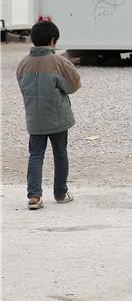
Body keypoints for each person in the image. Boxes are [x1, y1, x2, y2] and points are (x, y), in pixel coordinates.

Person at [17, 20, 81, 210]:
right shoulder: (58, 62)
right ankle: (60, 193)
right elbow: (73, 86)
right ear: (53, 41)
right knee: (60, 154)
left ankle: (34, 196)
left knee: (35, 155)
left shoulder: (23, 63)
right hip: (57, 119)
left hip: (34, 119)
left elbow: (22, 86)